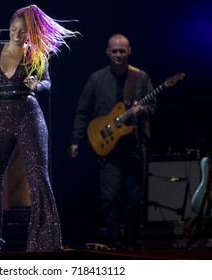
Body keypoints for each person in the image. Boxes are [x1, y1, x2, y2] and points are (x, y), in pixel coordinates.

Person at [0, 4, 79, 253]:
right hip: (0, 117)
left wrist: (36, 85)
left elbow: (47, 84)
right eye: (14, 29)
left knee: (37, 178)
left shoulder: (37, 54)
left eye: (22, 31)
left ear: (30, 33)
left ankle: (43, 242)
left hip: (28, 116)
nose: (16, 34)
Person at [68, 34, 157, 250]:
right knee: (110, 198)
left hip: (134, 146)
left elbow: (153, 107)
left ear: (129, 51)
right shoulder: (96, 79)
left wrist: (143, 110)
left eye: (122, 51)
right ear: (107, 52)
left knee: (133, 199)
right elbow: (82, 111)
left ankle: (132, 242)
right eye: (114, 51)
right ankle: (115, 243)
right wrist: (76, 140)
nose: (118, 54)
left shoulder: (141, 77)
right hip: (108, 149)